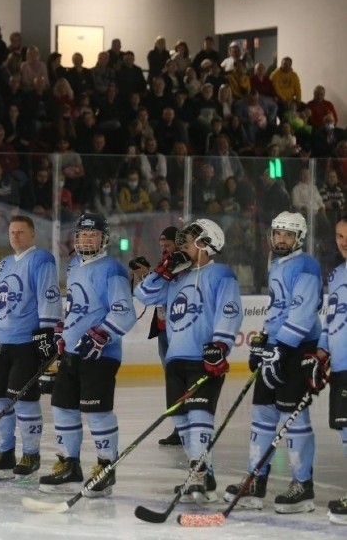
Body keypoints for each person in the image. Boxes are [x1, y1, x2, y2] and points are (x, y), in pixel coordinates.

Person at [135, 218, 242, 503]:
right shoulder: (177, 277)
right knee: (181, 419)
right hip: (175, 358)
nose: (182, 243)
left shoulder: (221, 274)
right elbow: (142, 295)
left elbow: (230, 311)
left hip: (203, 357)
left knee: (198, 416)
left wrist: (220, 344)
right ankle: (203, 474)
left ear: (206, 244)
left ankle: (198, 473)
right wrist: (164, 271)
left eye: (190, 238)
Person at [224, 212, 323, 513]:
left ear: (299, 238)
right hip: (277, 347)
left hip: (298, 349)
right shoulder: (277, 263)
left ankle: (302, 486)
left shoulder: (306, 265)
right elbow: (277, 308)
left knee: (292, 417)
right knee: (262, 413)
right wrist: (263, 340)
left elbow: (303, 314)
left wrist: (281, 347)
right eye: (278, 233)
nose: (281, 239)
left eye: (288, 235)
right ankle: (255, 481)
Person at [39, 213, 136, 495]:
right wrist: (62, 329)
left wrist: (100, 334)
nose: (86, 239)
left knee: (96, 410)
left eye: (92, 235)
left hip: (100, 356)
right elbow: (76, 306)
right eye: (82, 235)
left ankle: (106, 467)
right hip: (72, 353)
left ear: (103, 238)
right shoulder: (75, 266)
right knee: (62, 407)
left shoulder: (112, 270)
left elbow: (124, 312)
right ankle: (69, 463)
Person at [0, 215, 61, 479]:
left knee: (23, 401)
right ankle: (5, 452)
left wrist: (46, 331)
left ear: (32, 235)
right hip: (3, 343)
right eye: (12, 232)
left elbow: (49, 294)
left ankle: (31, 454)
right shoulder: (4, 264)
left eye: (21, 232)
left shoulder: (41, 259)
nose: (16, 236)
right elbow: (1, 301)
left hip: (26, 342)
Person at [131, 226, 182, 446]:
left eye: (168, 245)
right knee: (171, 381)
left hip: (178, 333)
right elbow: (155, 292)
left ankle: (185, 427)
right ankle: (179, 427)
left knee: (179, 380)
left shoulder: (184, 267)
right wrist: (147, 273)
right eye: (161, 246)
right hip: (163, 331)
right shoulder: (166, 266)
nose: (164, 250)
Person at [318, 215, 347, 525]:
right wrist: (323, 351)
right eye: (340, 235)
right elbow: (332, 319)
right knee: (345, 430)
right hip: (340, 364)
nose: (343, 241)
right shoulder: (337, 274)